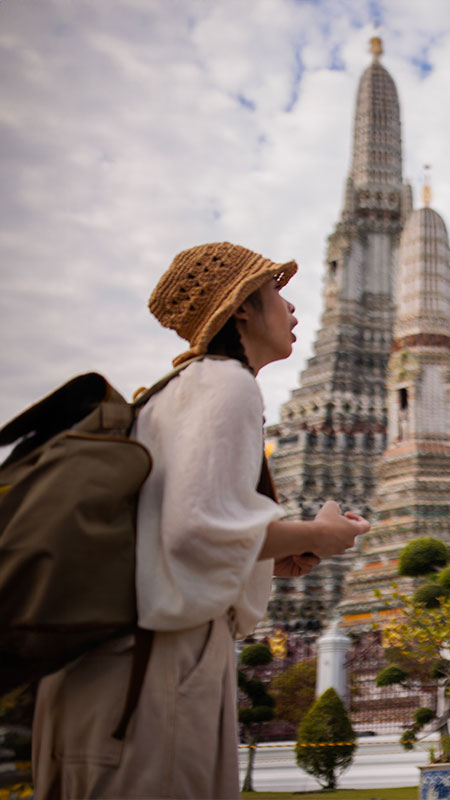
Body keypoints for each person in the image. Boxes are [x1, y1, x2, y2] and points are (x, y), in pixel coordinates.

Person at [33, 242, 370, 799]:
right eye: (276, 293)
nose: (292, 310)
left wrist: (274, 555)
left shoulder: (169, 393)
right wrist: (319, 533)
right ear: (241, 309)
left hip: (118, 659)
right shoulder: (227, 382)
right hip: (156, 666)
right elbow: (197, 530)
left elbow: (172, 534)